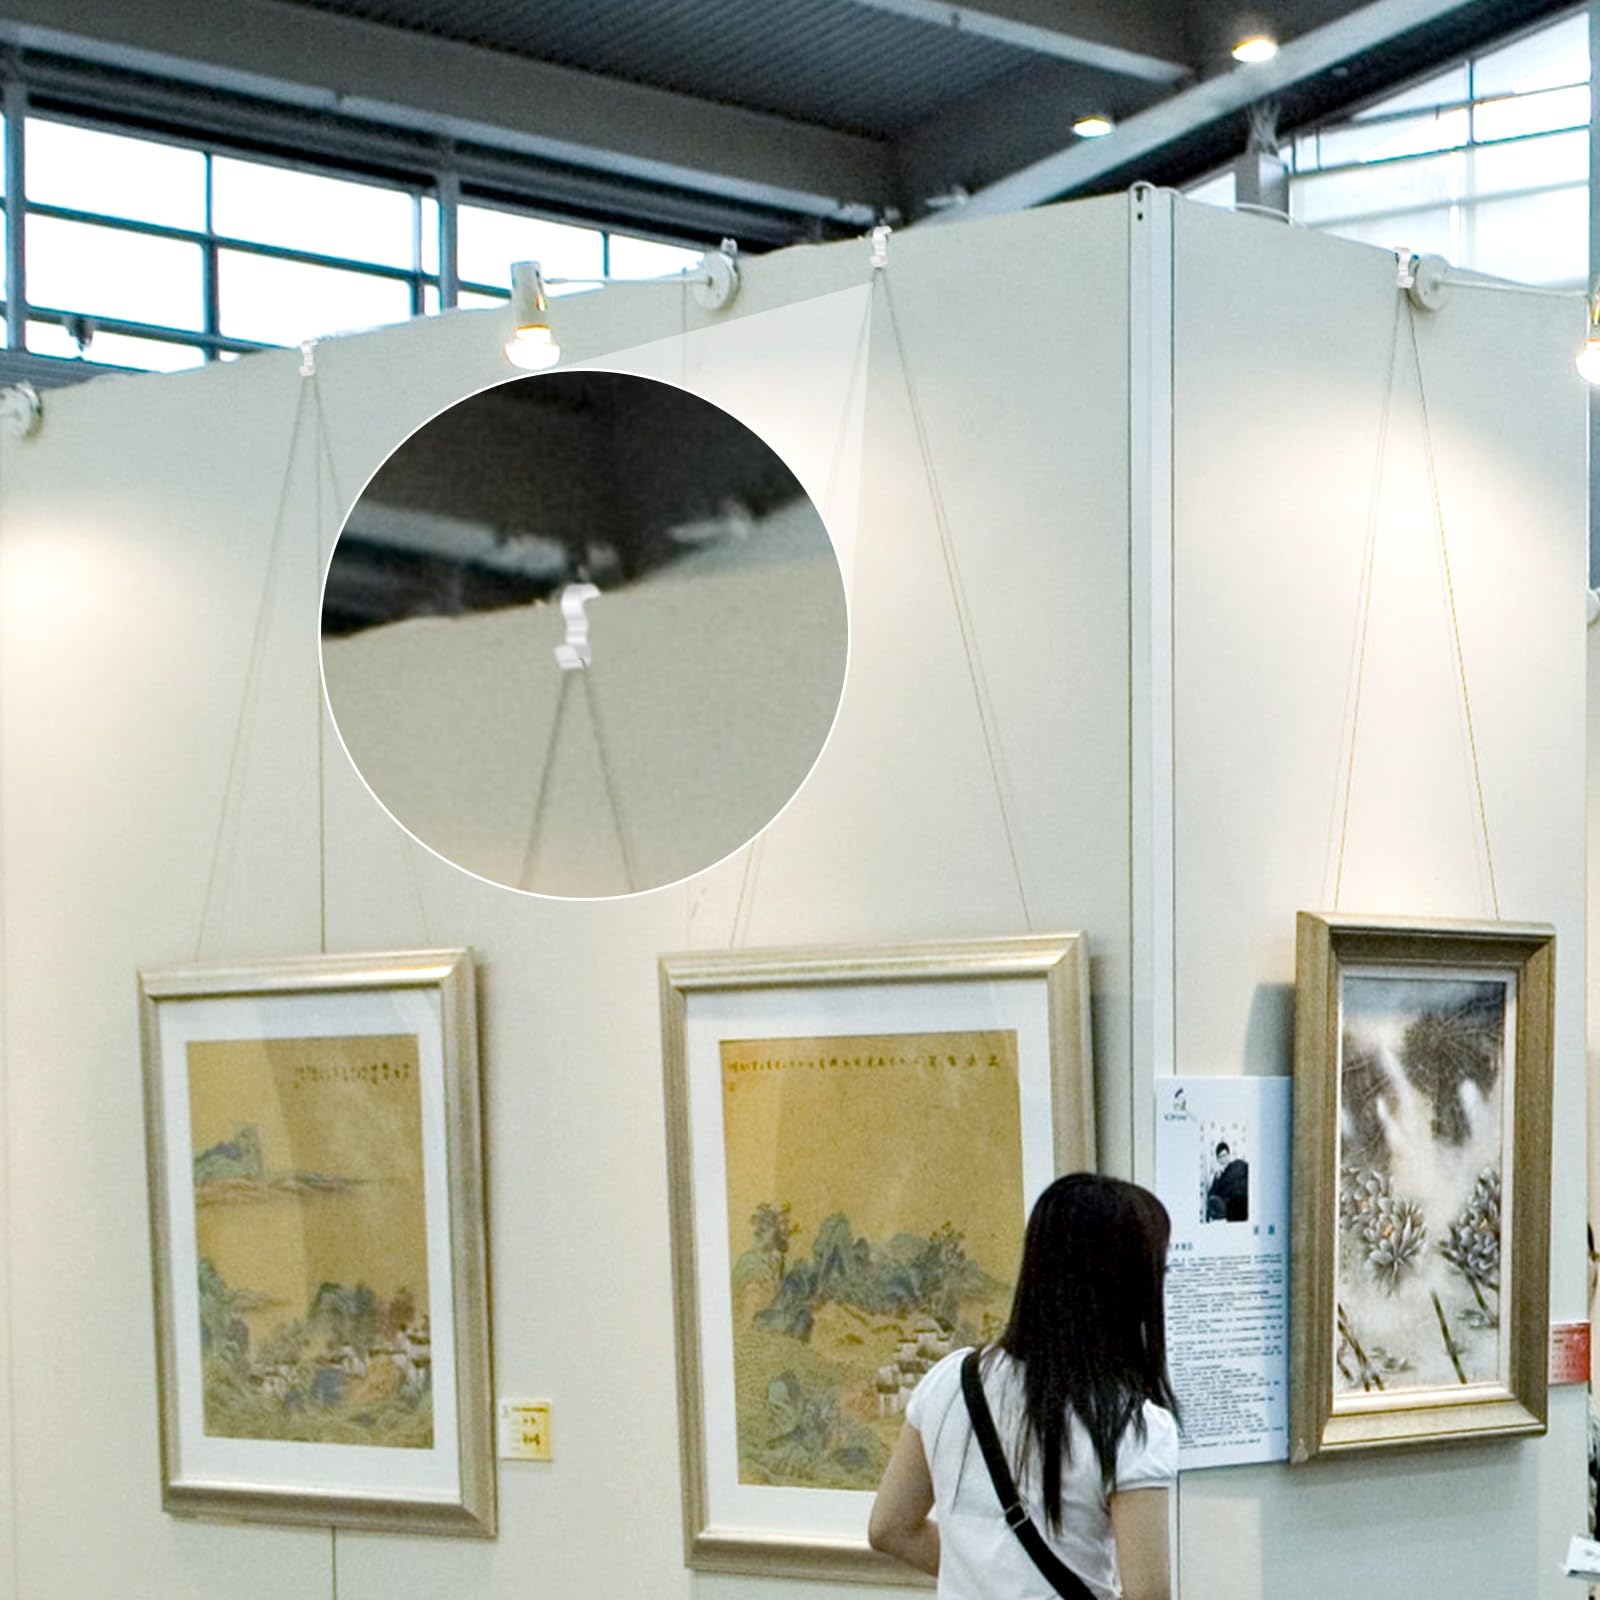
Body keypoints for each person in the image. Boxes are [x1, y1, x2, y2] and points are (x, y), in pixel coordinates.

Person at [868, 1173, 1178, 1600]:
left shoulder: (951, 1379)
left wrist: (987, 1578)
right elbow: (1148, 1595)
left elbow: (890, 1528)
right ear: (1128, 1286)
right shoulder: (1131, 1424)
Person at [1205, 1142, 1249, 1223]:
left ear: (1229, 1155)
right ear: (1218, 1160)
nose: (1223, 1159)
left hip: (1245, 1200)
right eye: (1220, 1157)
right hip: (1231, 1207)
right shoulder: (1219, 1176)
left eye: (1225, 1155)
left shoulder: (1239, 1164)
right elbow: (1211, 1197)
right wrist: (1217, 1178)